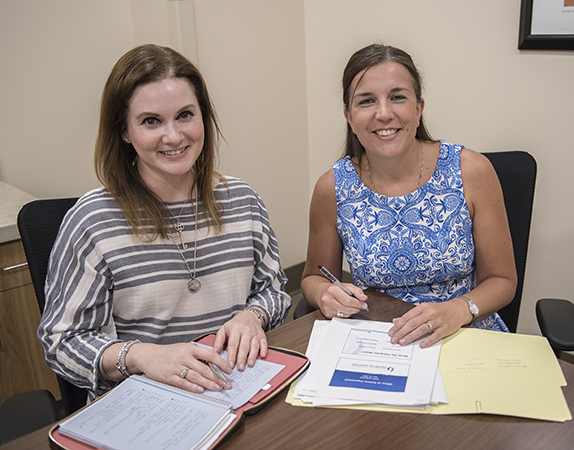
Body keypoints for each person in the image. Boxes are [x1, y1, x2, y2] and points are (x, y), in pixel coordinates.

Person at [38, 44, 291, 401]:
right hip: (147, 404)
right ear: (124, 131)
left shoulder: (243, 200)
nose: (173, 136)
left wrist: (252, 316)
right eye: (151, 121)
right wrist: (142, 356)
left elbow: (274, 290)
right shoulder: (92, 220)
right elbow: (62, 343)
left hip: (235, 388)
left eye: (185, 115)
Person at [301, 43, 516, 349]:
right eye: (366, 101)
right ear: (349, 117)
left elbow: (503, 281)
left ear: (419, 108)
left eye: (397, 97)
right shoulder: (332, 187)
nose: (384, 113)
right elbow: (313, 277)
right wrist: (324, 293)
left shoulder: (472, 171)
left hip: (465, 334)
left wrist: (458, 310)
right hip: (380, 342)